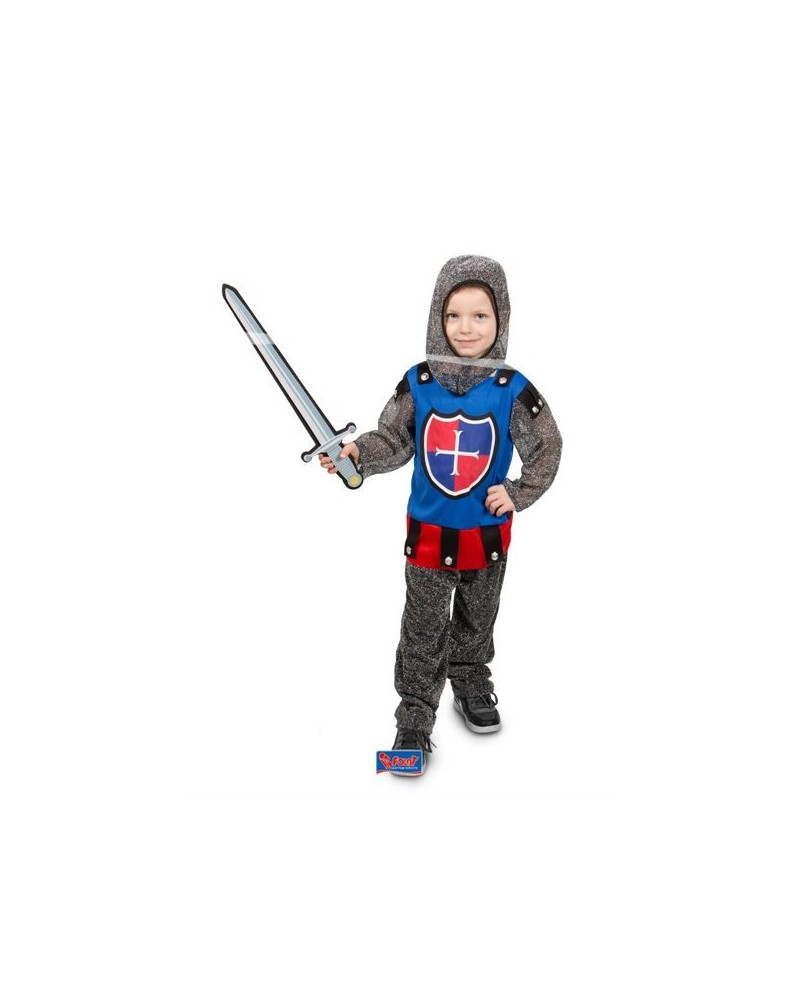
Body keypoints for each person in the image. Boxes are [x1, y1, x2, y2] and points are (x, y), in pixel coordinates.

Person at [320, 255, 562, 774]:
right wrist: (358, 454)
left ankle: (470, 679)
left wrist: (518, 493)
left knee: (478, 618)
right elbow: (393, 439)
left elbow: (547, 447)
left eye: (480, 315)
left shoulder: (511, 388)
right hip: (429, 537)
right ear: (437, 316)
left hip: (486, 537)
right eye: (453, 315)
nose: (465, 327)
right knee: (423, 627)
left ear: (501, 319)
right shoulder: (420, 381)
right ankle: (414, 716)